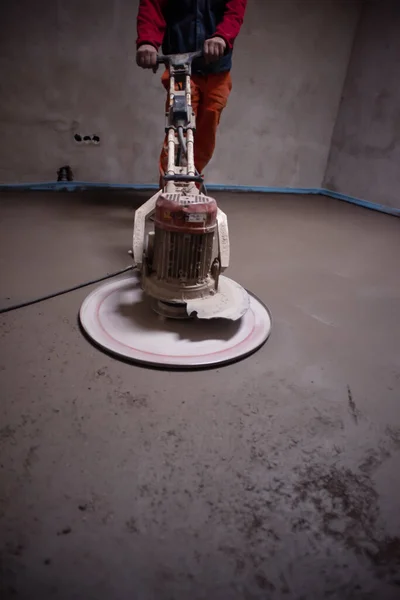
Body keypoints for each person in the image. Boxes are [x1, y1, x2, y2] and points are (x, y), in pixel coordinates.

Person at [135, 0, 248, 184]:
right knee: (178, 128)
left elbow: (235, 10)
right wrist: (147, 41)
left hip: (217, 69)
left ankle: (191, 184)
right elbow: (152, 6)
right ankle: (168, 187)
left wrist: (222, 37)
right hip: (180, 66)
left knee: (205, 134)